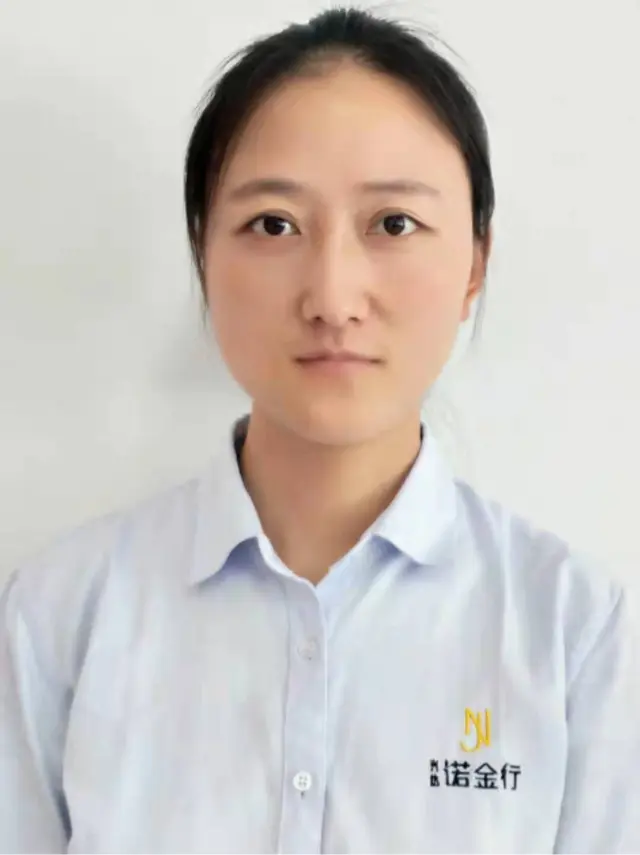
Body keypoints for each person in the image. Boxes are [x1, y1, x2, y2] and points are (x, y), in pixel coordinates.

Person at [1, 7, 638, 853]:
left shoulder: (574, 633)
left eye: (393, 224)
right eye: (274, 224)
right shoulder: (59, 616)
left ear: (475, 263)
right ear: (202, 251)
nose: (333, 298)